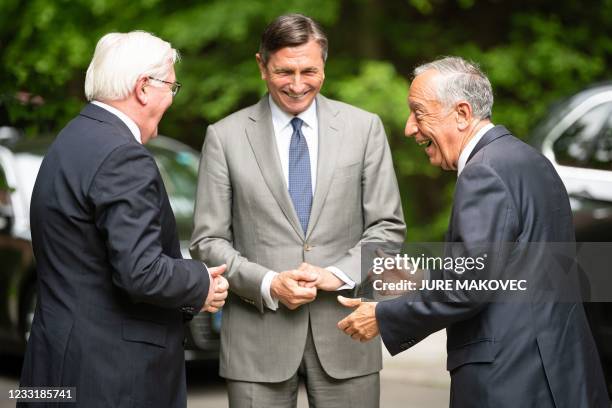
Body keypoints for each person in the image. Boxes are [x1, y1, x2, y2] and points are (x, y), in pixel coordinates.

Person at [337, 56, 609, 407]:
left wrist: (382, 315)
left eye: (419, 112)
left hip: (510, 380)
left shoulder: (484, 172)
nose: (409, 128)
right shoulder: (530, 160)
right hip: (560, 370)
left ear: (462, 113)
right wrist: (418, 280)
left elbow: (471, 285)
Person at [190, 13, 405, 408]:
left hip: (346, 334)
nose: (297, 84)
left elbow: (387, 228)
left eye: (310, 71)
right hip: (256, 342)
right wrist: (269, 282)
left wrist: (336, 273)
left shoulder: (365, 129)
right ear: (261, 65)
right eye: (284, 71)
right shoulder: (224, 137)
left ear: (325, 64)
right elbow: (207, 240)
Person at [19, 31, 228, 408]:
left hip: (53, 363)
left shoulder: (72, 139)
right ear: (144, 88)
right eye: (171, 86)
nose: (171, 99)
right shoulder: (123, 157)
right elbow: (141, 272)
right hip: (111, 378)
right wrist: (199, 282)